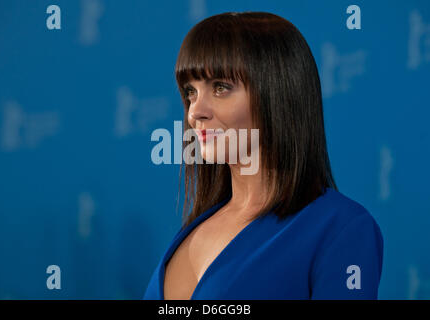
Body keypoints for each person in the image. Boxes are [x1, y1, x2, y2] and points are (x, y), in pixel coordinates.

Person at [143, 11, 383, 300]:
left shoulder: (341, 228)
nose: (195, 112)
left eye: (220, 88)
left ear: (278, 94)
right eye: (190, 92)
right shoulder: (196, 228)